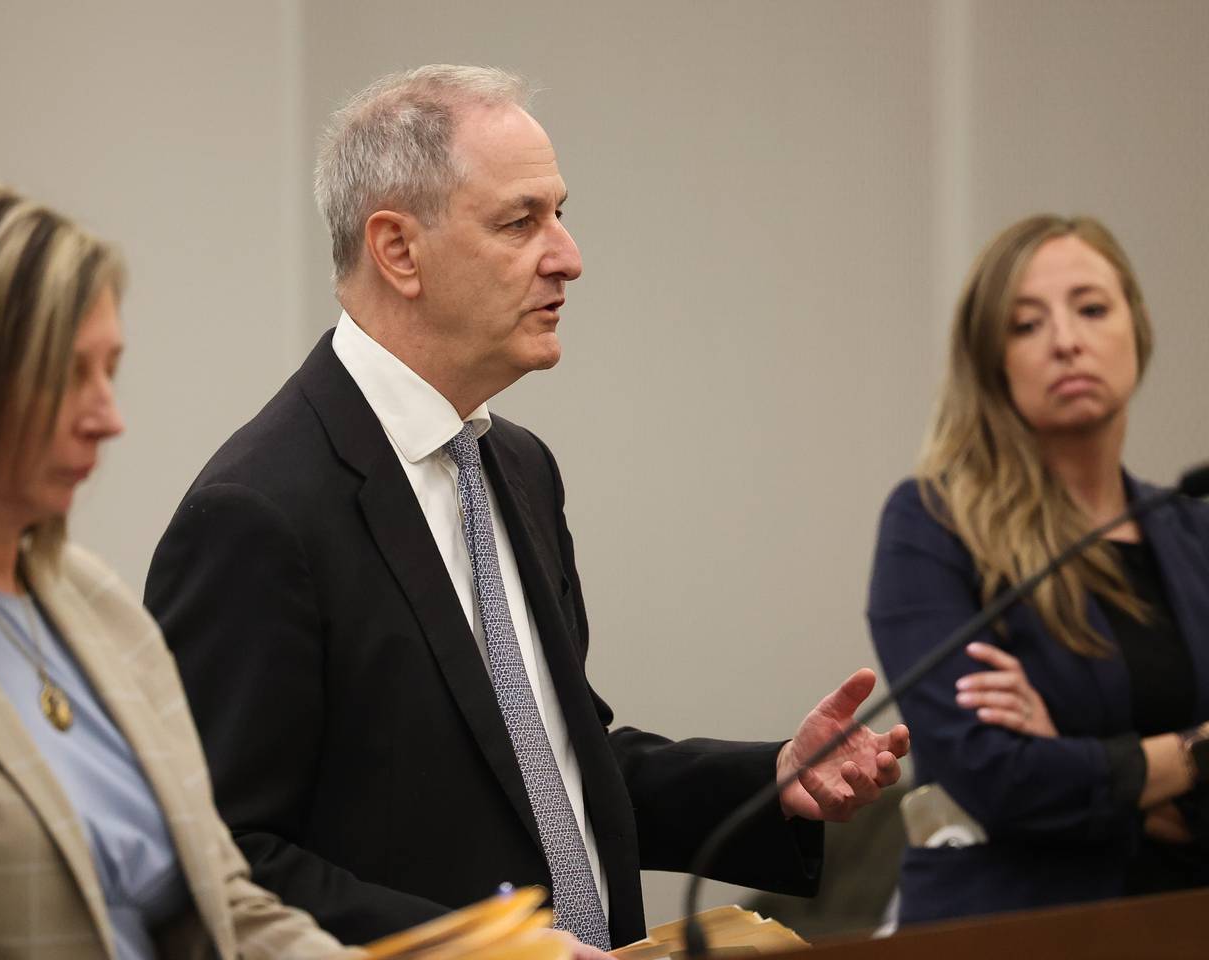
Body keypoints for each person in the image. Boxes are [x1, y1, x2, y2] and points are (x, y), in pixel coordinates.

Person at [146, 64, 909, 951]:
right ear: (398, 250)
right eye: (521, 222)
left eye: (560, 213)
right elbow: (221, 863)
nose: (568, 256)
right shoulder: (256, 513)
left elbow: (554, 765)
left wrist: (772, 778)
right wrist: (491, 948)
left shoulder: (514, 465)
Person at [0, 179, 351, 959]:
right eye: (68, 374)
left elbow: (228, 907)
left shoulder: (95, 600)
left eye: (110, 370)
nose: (108, 417)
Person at [868, 214, 1209, 925]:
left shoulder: (1192, 526)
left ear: (1136, 330)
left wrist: (1076, 761)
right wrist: (1192, 757)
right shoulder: (933, 523)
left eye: (1091, 309)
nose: (1066, 341)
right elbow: (992, 777)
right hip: (1015, 925)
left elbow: (1041, 784)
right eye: (1026, 324)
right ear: (992, 359)